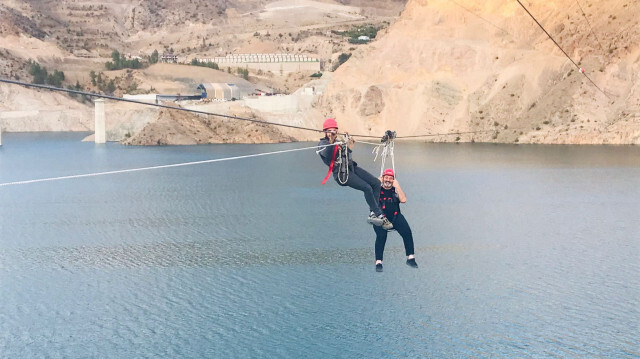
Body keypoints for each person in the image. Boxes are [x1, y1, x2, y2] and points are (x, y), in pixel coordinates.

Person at [317, 118, 393, 230]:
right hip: (341, 174)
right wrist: (332, 141)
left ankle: (373, 213)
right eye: (330, 130)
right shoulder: (322, 144)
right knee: (367, 188)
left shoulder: (339, 142)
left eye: (334, 130)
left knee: (376, 183)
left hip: (351, 168)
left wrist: (348, 146)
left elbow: (346, 156)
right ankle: (379, 214)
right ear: (325, 132)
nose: (332, 132)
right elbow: (328, 154)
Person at [374, 168, 417, 272]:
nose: (388, 180)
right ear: (383, 178)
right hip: (380, 217)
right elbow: (370, 194)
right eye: (386, 178)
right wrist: (376, 183)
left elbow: (403, 200)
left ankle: (410, 257)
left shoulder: (395, 190)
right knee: (381, 236)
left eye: (390, 178)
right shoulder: (377, 189)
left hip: (395, 216)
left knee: (407, 232)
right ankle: (378, 262)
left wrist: (397, 186)